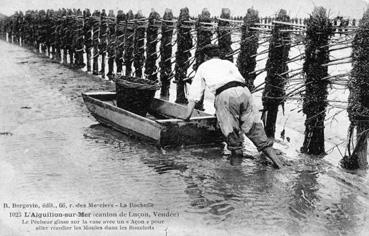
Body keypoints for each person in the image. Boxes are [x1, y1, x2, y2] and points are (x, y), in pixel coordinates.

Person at [184, 44, 284, 169]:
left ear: (205, 56)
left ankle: (235, 176)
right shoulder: (228, 64)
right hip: (244, 92)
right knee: (255, 130)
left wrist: (187, 116)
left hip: (226, 95)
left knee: (233, 138)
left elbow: (195, 94)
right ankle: (279, 164)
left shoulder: (203, 66)